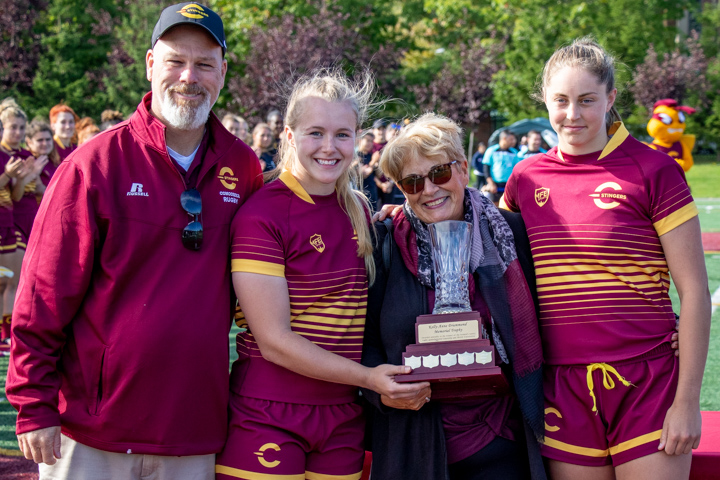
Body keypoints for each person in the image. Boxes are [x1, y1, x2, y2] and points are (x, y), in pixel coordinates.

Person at [6, 4, 262, 479]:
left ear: (223, 73)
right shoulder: (93, 165)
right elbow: (42, 294)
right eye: (175, 61)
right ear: (150, 64)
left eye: (205, 64)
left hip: (192, 432)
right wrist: (33, 402)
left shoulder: (243, 169)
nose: (189, 76)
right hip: (88, 431)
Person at [500, 38, 710, 480]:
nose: (572, 114)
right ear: (545, 100)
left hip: (648, 383)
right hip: (563, 388)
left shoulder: (653, 170)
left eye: (587, 101)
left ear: (611, 98)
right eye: (561, 101)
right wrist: (402, 211)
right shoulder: (524, 177)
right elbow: (486, 242)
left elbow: (693, 292)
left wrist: (687, 401)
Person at [215, 69, 426, 480]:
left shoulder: (362, 211)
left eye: (342, 134)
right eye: (315, 133)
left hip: (344, 417)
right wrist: (369, 378)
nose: (329, 147)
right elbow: (274, 341)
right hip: (267, 411)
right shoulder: (262, 213)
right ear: (290, 136)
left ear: (357, 138)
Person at [361, 113, 545, 480]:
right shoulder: (384, 244)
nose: (428, 190)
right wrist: (377, 388)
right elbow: (362, 343)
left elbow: (558, 309)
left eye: (439, 173)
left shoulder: (511, 234)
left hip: (503, 441)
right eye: (412, 182)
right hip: (415, 443)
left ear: (462, 169)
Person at [0, 120, 25, 356]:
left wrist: (25, 179)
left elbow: (15, 196)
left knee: (9, 282)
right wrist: (7, 175)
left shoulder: (6, 157)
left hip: (6, 223)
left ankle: (5, 335)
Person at [481, 130, 519, 205]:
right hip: (495, 186)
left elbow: (517, 170)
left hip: (509, 185)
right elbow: (486, 169)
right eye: (511, 139)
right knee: (495, 207)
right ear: (504, 138)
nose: (513, 141)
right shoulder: (491, 150)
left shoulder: (514, 152)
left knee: (508, 206)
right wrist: (491, 183)